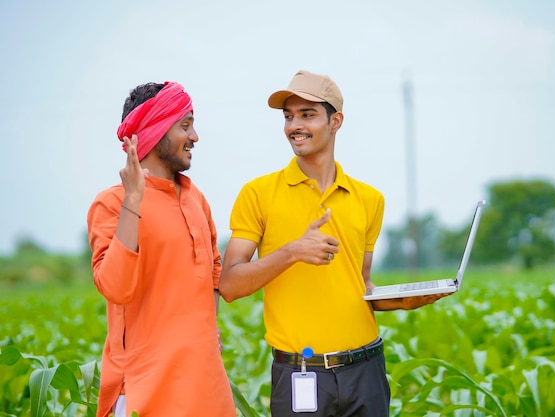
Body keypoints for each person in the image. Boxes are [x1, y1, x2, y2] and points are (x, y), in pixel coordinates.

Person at [219, 70, 449, 416]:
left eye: (307, 115)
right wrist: (293, 251)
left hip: (366, 369)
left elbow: (361, 284)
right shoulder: (258, 194)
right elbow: (230, 284)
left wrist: (399, 301)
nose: (294, 125)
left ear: (335, 121)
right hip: (300, 375)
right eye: (288, 116)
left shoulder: (370, 199)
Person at [87, 81, 237, 417]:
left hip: (207, 388)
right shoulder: (111, 204)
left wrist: (206, 329)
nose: (195, 136)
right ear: (153, 132)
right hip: (145, 391)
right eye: (185, 125)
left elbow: (214, 268)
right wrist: (134, 199)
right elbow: (115, 287)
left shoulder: (195, 197)